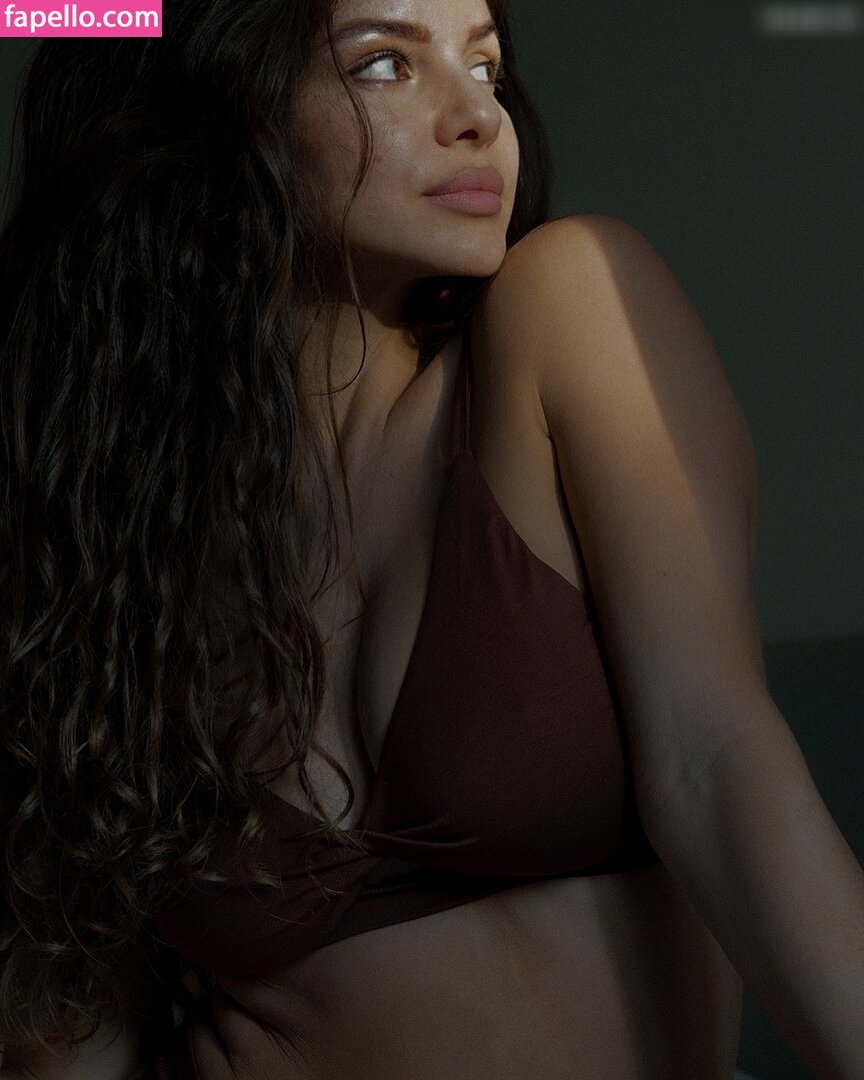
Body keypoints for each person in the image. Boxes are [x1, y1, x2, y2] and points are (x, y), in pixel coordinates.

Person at [1, 0, 862, 1077]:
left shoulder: (563, 312)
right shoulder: (107, 540)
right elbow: (70, 1011)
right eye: (383, 65)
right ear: (222, 112)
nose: (477, 117)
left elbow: (719, 769)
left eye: (485, 65)